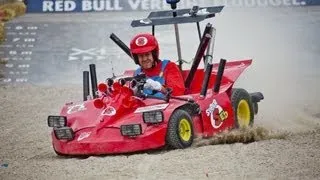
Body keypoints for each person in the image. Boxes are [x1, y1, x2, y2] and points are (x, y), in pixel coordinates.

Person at [129, 33, 185, 98]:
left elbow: (178, 95)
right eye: (141, 56)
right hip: (145, 107)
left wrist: (160, 88)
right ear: (136, 58)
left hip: (167, 107)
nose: (144, 59)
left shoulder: (169, 67)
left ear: (154, 54)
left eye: (147, 55)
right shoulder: (137, 73)